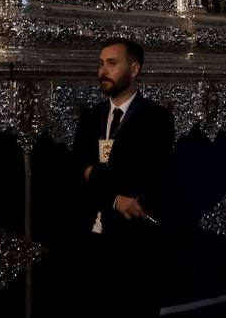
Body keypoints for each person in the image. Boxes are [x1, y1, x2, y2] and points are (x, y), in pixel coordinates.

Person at [71, 37, 174, 317]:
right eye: (101, 64)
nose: (102, 70)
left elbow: (143, 175)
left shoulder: (156, 118)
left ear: (134, 69)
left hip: (132, 243)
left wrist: (96, 174)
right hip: (92, 239)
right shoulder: (90, 117)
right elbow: (76, 169)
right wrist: (115, 197)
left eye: (112, 63)